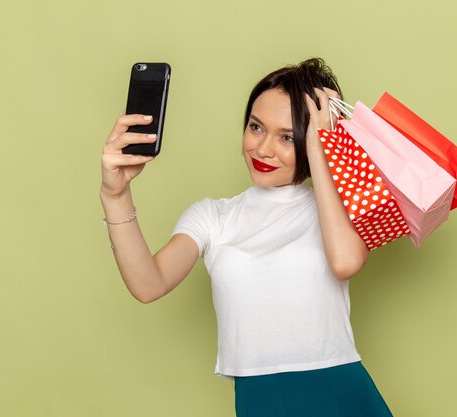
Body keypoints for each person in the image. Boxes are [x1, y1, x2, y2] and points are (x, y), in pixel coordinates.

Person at [100, 58, 393, 417]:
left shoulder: (336, 207)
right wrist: (115, 196)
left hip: (340, 392)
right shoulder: (214, 216)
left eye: (288, 136)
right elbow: (149, 284)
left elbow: (346, 261)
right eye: (256, 127)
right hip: (261, 400)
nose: (264, 149)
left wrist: (321, 148)